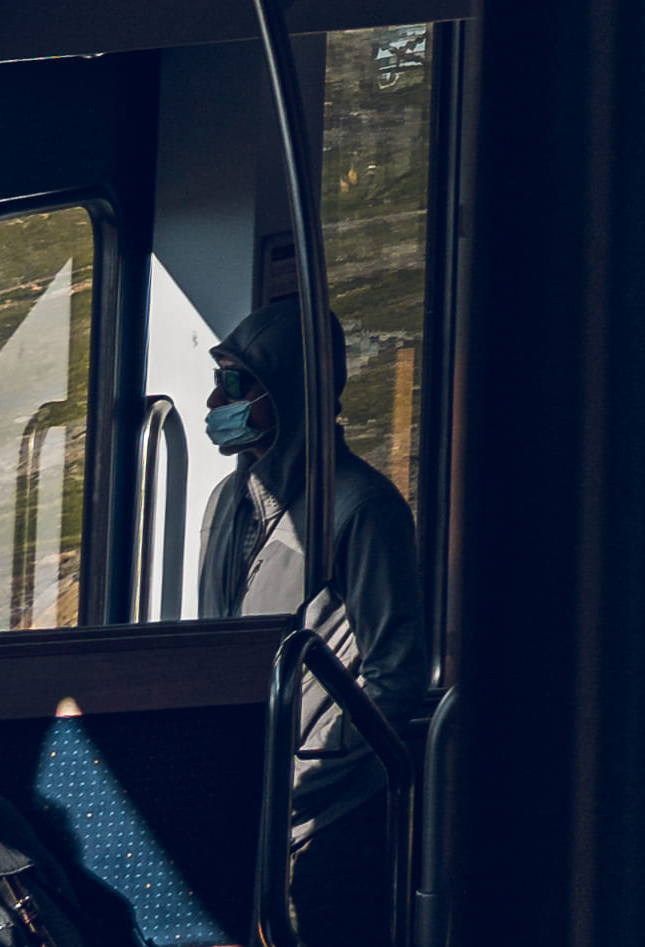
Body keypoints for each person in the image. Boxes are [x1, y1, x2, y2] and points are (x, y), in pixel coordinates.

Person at [197, 302, 432, 942]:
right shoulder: (227, 502)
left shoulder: (362, 507)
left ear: (292, 392)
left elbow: (395, 673)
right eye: (219, 379)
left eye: (240, 384)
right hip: (248, 800)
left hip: (328, 814)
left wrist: (309, 775)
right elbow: (211, 648)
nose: (218, 398)